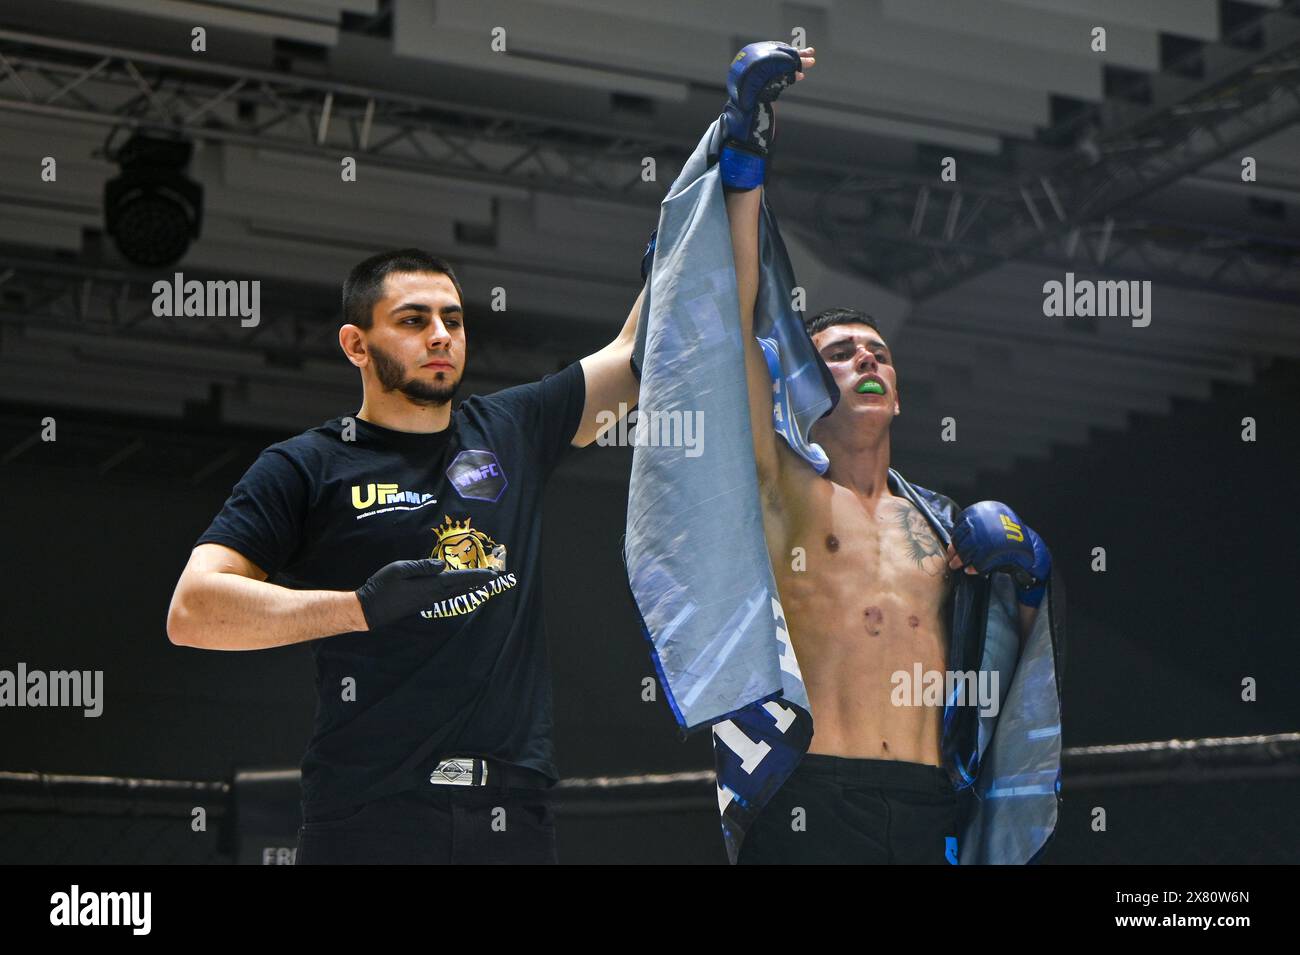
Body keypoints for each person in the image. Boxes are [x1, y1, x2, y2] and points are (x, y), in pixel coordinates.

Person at [166, 248, 643, 864]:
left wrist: (696, 214)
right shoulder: (308, 465)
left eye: (454, 319)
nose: (441, 336)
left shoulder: (512, 428)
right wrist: (358, 608)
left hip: (512, 812)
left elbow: (635, 356)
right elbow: (194, 611)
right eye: (414, 321)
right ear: (356, 345)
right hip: (374, 813)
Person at [716, 42, 1054, 863]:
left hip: (932, 800)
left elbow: (1009, 669)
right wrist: (745, 145)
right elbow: (734, 316)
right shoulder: (783, 488)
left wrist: (1033, 575)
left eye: (878, 352)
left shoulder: (942, 529)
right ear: (802, 382)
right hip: (810, 795)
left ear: (896, 391)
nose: (867, 358)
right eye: (840, 353)